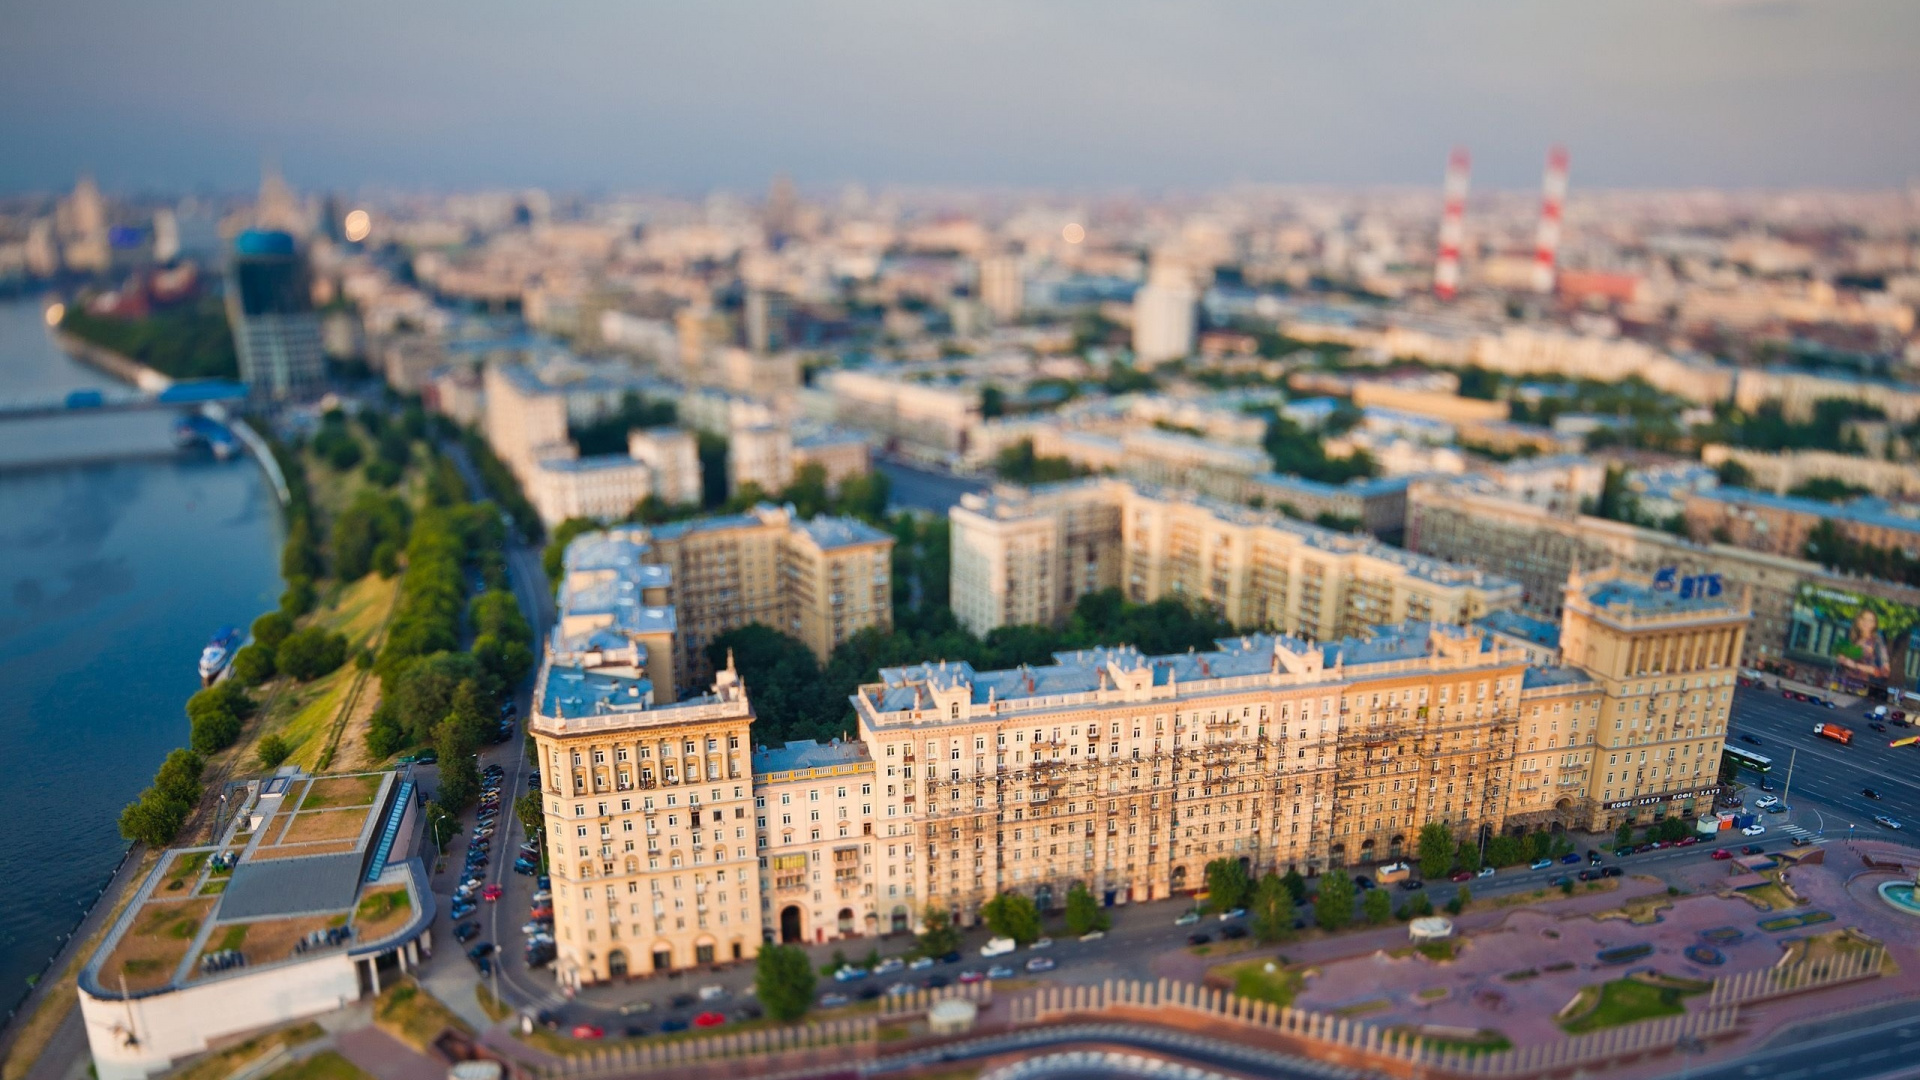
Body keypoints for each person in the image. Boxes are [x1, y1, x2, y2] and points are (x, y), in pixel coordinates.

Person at [1834, 607, 1891, 683]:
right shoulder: (1852, 638)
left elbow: (1885, 672)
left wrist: (1855, 665)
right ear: (1858, 621)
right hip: (1843, 682)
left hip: (1863, 687)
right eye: (1863, 619)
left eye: (1870, 621)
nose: (1866, 623)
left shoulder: (1877, 642)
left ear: (1874, 624)